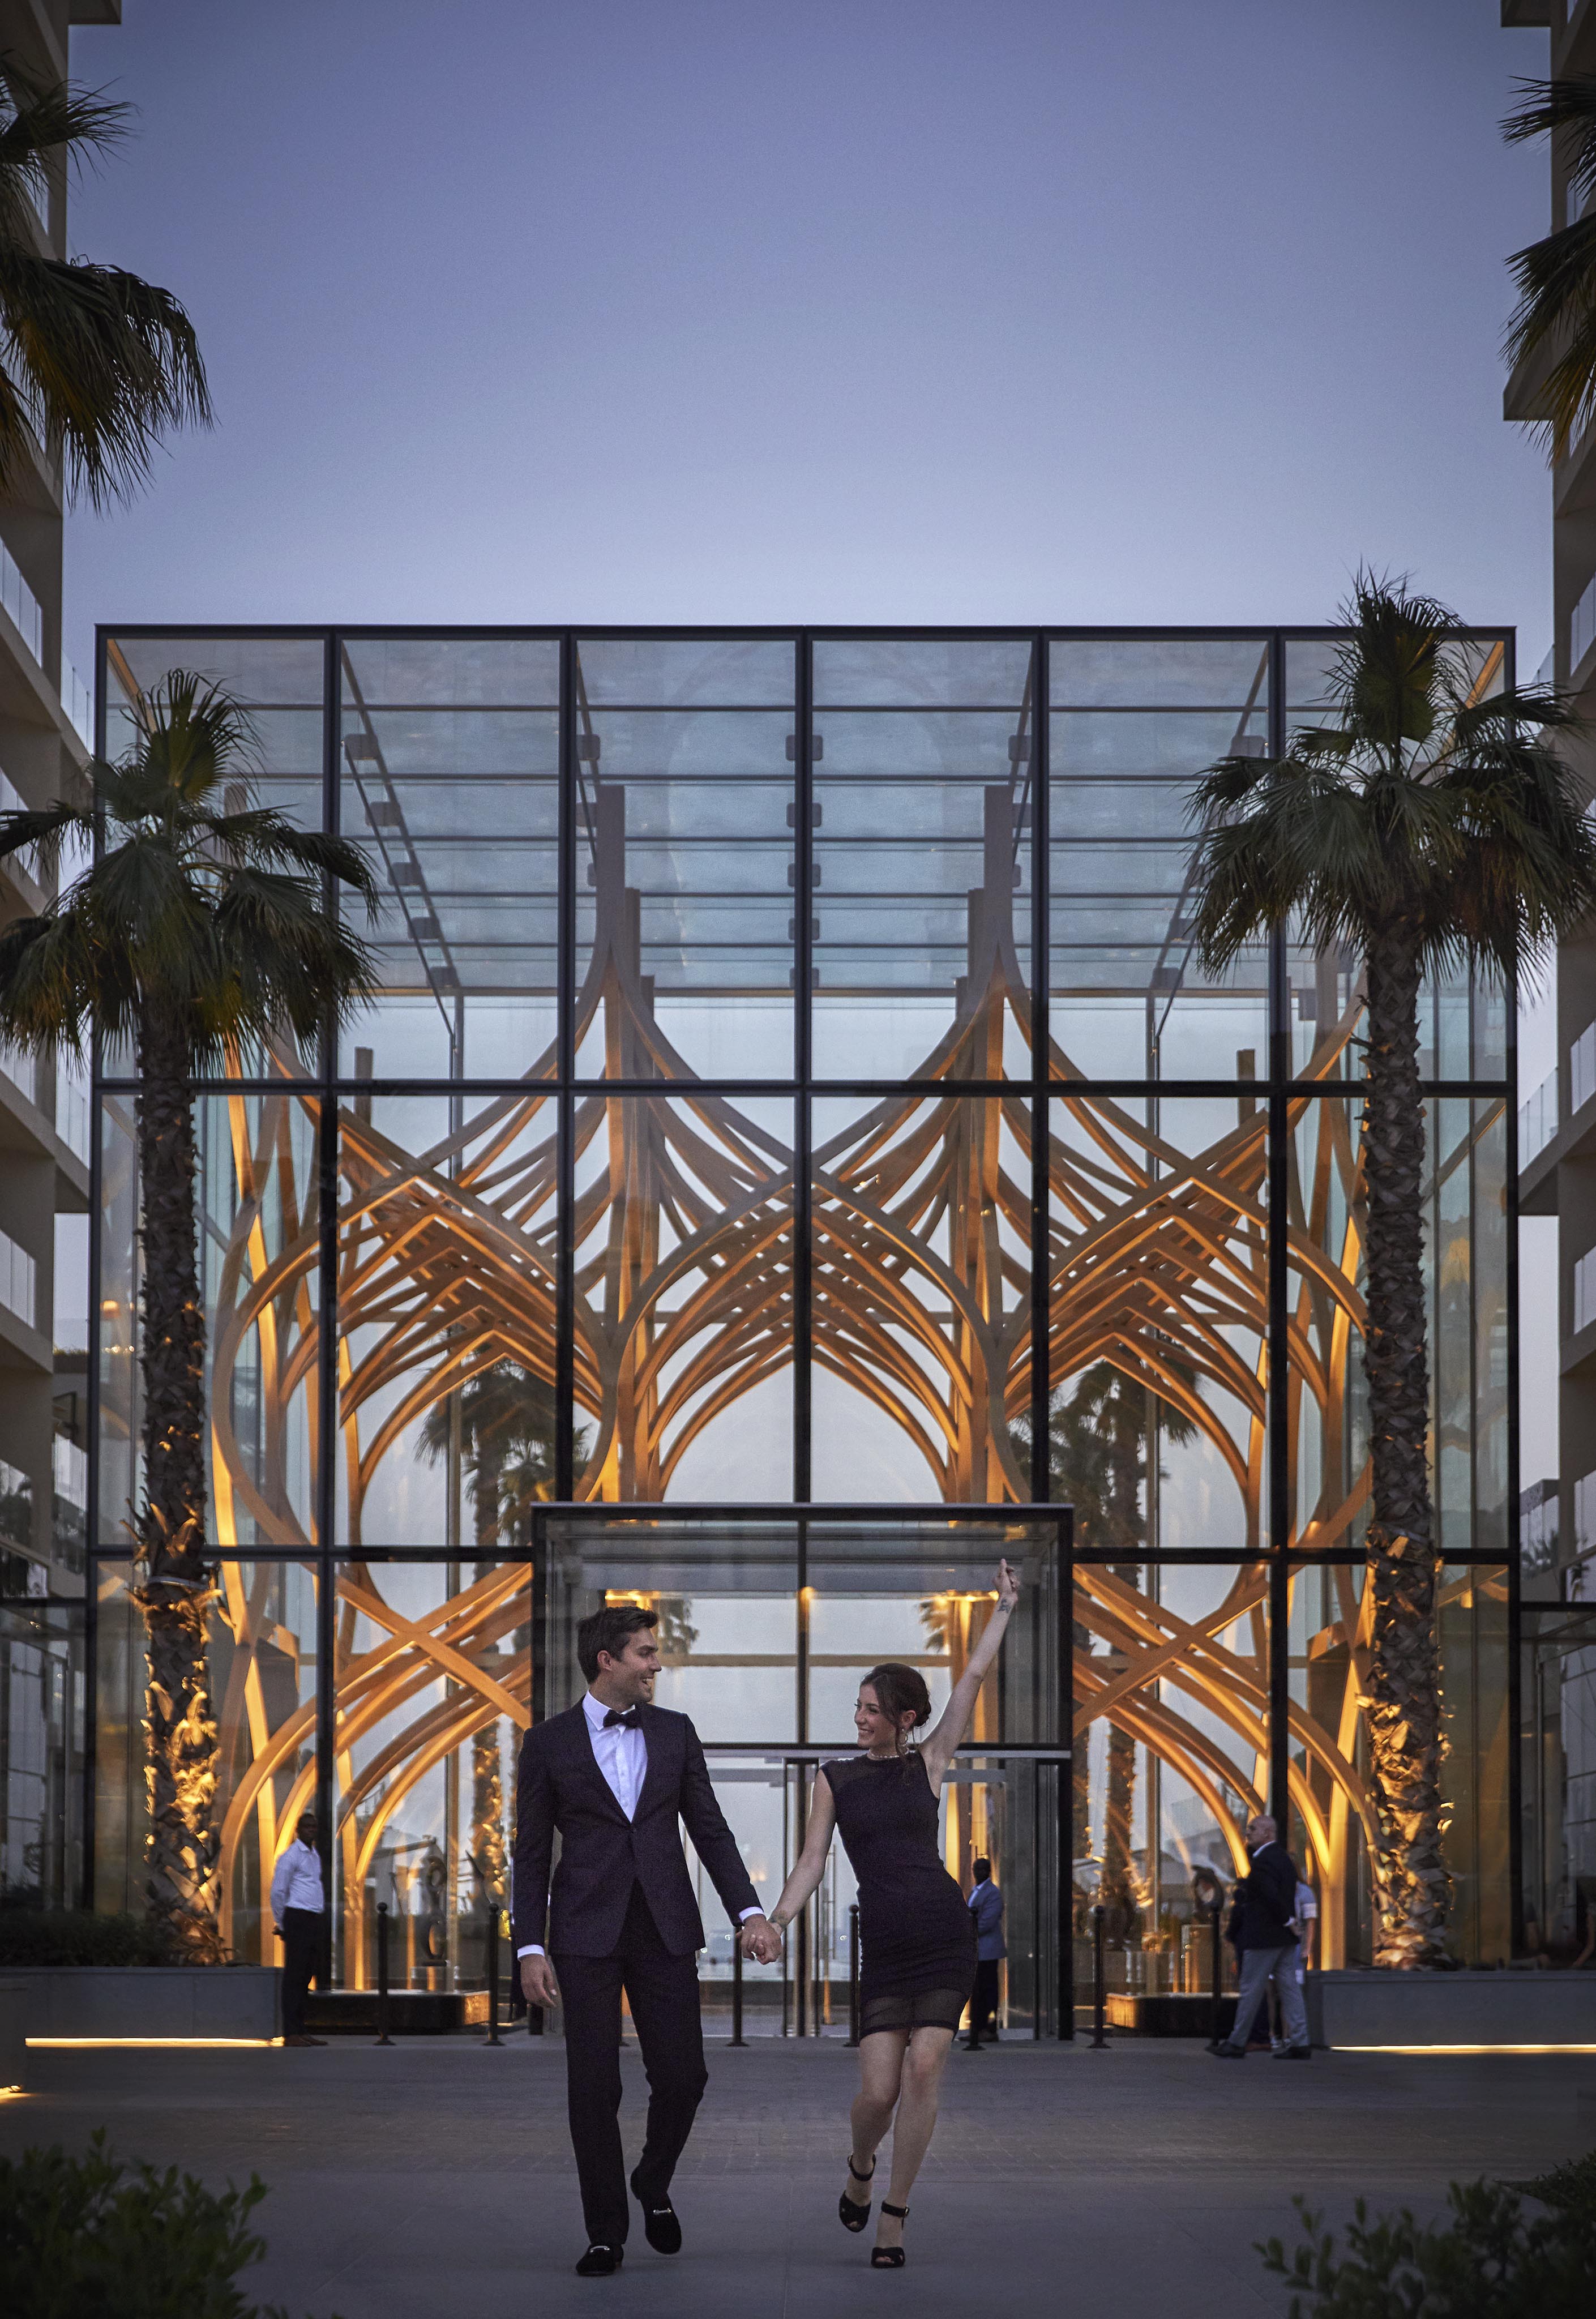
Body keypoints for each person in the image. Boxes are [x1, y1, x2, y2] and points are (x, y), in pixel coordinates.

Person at [766, 1557, 1022, 2269]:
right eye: (856, 1708)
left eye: (871, 1710)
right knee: (875, 2093)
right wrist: (779, 1921)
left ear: (904, 1719)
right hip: (883, 1948)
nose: (859, 1718)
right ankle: (859, 2163)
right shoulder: (835, 1778)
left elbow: (969, 1682)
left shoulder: (927, 1763)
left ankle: (895, 2216)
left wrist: (1003, 1608)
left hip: (944, 1937)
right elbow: (813, 1861)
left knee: (924, 2071)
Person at [513, 1602, 777, 2279]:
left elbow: (710, 1830)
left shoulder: (674, 1733)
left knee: (684, 2076)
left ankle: (652, 2181)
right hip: (583, 1935)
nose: (656, 1663)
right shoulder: (547, 1743)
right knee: (593, 2087)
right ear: (607, 1661)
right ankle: (605, 2233)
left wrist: (749, 1911)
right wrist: (529, 1946)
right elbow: (532, 1854)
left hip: (663, 1929)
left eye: (654, 1652)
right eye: (644, 1652)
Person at [1210, 1814, 1310, 2061]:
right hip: (1284, 1939)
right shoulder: (1283, 1859)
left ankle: (1236, 2042)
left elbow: (1269, 1895)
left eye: (1253, 1829)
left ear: (1268, 1833)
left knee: (1251, 1988)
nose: (1248, 1833)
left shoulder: (1264, 1861)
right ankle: (1300, 2042)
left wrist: (1287, 1920)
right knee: (1289, 1989)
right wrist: (1289, 1924)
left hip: (1264, 1938)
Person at [271, 1811, 327, 2048]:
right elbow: (278, 1892)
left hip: (312, 1918)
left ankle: (301, 2029)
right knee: (294, 1976)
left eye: (314, 1826)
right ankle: (290, 2032)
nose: (311, 1830)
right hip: (297, 1917)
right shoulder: (290, 1856)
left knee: (306, 1975)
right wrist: (282, 1923)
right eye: (307, 1827)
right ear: (298, 1830)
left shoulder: (313, 1855)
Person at [965, 1857, 1005, 2048]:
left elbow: (986, 1922)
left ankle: (989, 2029)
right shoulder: (976, 1891)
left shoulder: (993, 1893)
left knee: (988, 1992)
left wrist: (968, 1931)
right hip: (977, 1951)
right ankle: (976, 2029)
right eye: (976, 1869)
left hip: (988, 1951)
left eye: (982, 1869)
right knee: (977, 1992)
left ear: (988, 1871)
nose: (978, 1873)